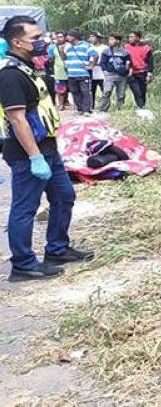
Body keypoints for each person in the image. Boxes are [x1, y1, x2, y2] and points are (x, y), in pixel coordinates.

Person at [1, 15, 93, 281]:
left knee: (64, 196)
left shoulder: (30, 68)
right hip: (28, 154)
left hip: (48, 149)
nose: (42, 42)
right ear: (17, 42)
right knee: (25, 208)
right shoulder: (9, 75)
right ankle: (23, 264)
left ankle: (57, 248)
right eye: (36, 38)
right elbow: (17, 118)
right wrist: (34, 157)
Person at [63, 29, 97, 114]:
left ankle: (86, 110)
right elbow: (65, 57)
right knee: (75, 92)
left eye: (69, 36)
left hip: (83, 73)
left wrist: (91, 65)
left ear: (75, 37)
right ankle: (80, 109)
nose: (67, 37)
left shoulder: (86, 45)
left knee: (85, 91)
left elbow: (95, 55)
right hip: (71, 73)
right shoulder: (68, 46)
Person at [98, 34, 131, 112]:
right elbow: (102, 63)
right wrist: (105, 72)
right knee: (106, 92)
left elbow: (128, 62)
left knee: (121, 94)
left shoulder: (125, 52)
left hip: (122, 76)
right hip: (109, 75)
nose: (110, 41)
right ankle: (103, 109)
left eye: (112, 39)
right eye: (109, 39)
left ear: (118, 41)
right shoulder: (106, 51)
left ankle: (120, 109)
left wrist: (126, 70)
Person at [124, 31, 153, 109]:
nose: (129, 38)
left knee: (142, 91)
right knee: (137, 91)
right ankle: (140, 107)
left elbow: (150, 61)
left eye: (132, 37)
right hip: (131, 73)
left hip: (143, 72)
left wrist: (149, 74)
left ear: (137, 37)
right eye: (129, 37)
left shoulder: (146, 48)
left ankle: (142, 106)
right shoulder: (126, 47)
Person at [48, 31, 69, 110]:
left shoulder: (69, 46)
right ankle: (61, 105)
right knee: (60, 89)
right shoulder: (52, 47)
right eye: (58, 37)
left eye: (61, 37)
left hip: (71, 71)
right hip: (59, 71)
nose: (59, 39)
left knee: (74, 89)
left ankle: (73, 104)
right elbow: (50, 59)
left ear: (65, 37)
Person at [88, 33, 108, 104]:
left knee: (105, 91)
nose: (90, 39)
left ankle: (105, 106)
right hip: (91, 73)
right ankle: (91, 106)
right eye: (90, 37)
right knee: (91, 91)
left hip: (102, 73)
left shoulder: (105, 48)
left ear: (98, 38)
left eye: (93, 37)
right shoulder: (88, 47)